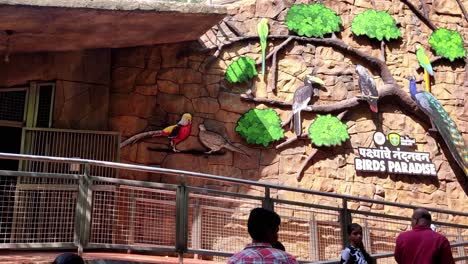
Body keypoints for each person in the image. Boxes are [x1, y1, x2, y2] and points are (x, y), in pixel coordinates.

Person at [227, 207, 298, 264]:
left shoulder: (235, 260)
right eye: (276, 231)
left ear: (249, 230)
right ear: (271, 233)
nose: (277, 236)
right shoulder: (287, 259)